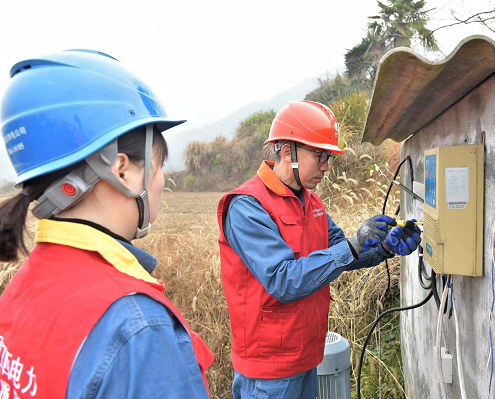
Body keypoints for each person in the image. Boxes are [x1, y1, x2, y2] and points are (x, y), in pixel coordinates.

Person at [0, 50, 213, 398]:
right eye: (159, 166)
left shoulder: (21, 289)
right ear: (122, 170)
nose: (161, 183)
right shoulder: (139, 328)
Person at [217, 100, 421, 398]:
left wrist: (383, 248)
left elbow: (342, 253)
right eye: (319, 155)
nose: (326, 166)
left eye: (328, 157)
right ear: (288, 152)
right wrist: (351, 245)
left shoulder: (310, 203)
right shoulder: (248, 207)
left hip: (307, 357)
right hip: (269, 371)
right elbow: (283, 280)